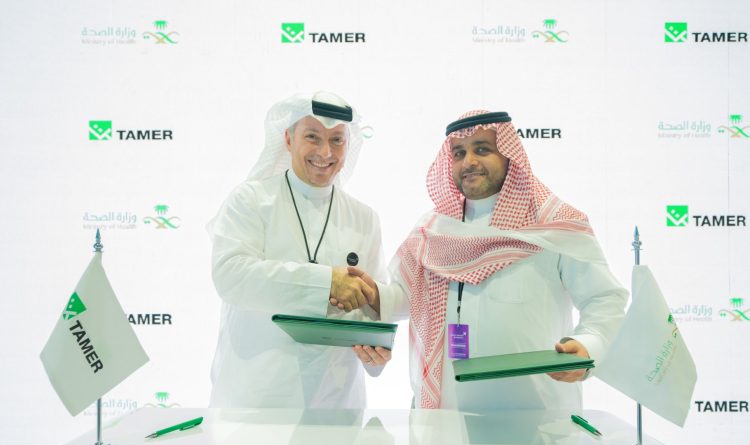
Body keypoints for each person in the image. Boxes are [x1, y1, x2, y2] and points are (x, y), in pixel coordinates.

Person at [358, 110, 628, 411]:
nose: (469, 162)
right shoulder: (432, 230)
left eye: (482, 149)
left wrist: (588, 346)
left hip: (535, 416)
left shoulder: (554, 225)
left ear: (509, 155)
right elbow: (407, 297)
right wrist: (372, 295)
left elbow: (605, 298)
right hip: (448, 413)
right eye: (459, 153)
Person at [208, 91, 390, 409]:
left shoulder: (364, 218)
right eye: (312, 137)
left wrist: (376, 350)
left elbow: (373, 304)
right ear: (288, 139)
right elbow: (231, 276)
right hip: (255, 402)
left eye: (337, 140)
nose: (325, 152)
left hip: (336, 404)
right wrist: (327, 283)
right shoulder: (250, 200)